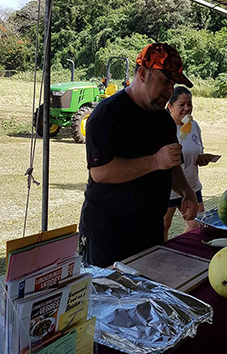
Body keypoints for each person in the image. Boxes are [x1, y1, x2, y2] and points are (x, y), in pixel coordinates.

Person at [79, 43, 199, 267]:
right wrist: (155, 161)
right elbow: (100, 172)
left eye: (173, 84)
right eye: (165, 81)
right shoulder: (107, 115)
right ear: (143, 73)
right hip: (109, 233)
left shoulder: (163, 119)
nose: (169, 90)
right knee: (107, 297)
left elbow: (171, 164)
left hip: (150, 229)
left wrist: (187, 192)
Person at [163, 87, 213, 240]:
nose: (187, 108)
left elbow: (197, 150)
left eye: (189, 104)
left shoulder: (193, 126)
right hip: (170, 188)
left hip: (192, 185)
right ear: (170, 106)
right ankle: (163, 257)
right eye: (182, 104)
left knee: (197, 226)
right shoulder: (164, 128)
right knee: (164, 226)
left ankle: (182, 250)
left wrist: (202, 159)